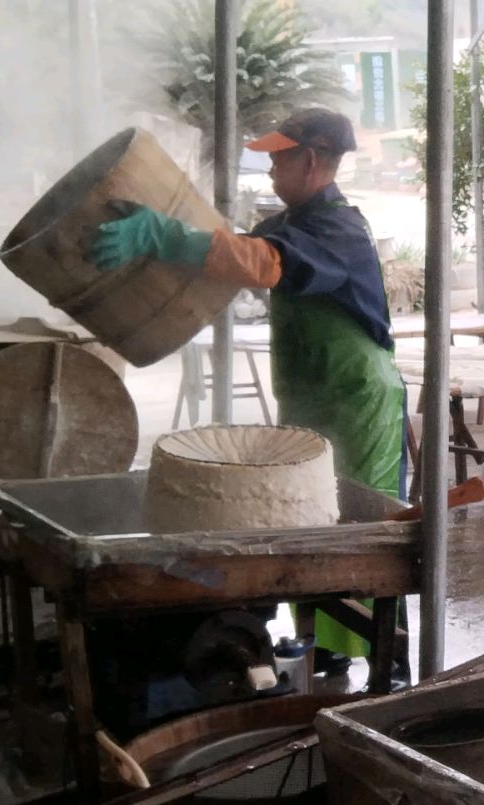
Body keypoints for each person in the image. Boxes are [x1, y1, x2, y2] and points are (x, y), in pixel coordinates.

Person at [91, 108, 405, 673]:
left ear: (311, 161)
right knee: (307, 517)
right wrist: (161, 250)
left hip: (356, 398)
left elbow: (262, 264)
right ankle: (322, 645)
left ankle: (382, 655)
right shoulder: (291, 223)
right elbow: (234, 256)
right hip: (311, 393)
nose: (271, 170)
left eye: (279, 159)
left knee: (362, 529)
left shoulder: (339, 228)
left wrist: (163, 235)